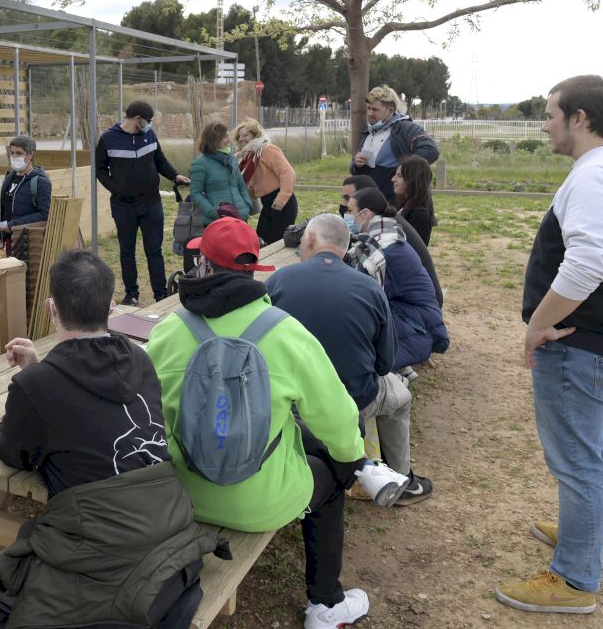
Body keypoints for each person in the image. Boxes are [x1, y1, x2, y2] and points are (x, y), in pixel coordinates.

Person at [147, 217, 409, 629]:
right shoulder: (286, 332)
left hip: (182, 493)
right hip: (262, 502)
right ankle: (325, 604)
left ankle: (361, 469)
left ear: (203, 265)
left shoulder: (169, 330)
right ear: (254, 270)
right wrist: (350, 458)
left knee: (307, 438)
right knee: (330, 475)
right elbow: (338, 418)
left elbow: (143, 407)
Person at [0, 249, 223, 629]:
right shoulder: (140, 360)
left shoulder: (37, 385)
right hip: (172, 525)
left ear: (51, 308)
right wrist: (37, 373)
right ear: (111, 306)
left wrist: (30, 381)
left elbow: (13, 450)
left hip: (108, 553)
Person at [495, 76, 603, 615]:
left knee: (578, 460)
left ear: (579, 118)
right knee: (595, 446)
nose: (544, 126)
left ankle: (575, 578)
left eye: (550, 115)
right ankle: (581, 532)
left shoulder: (596, 175)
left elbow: (590, 261)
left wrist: (538, 325)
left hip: (578, 342)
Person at [267, 214, 433, 506]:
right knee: (401, 397)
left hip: (291, 402)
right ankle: (402, 479)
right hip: (353, 399)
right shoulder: (370, 288)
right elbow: (385, 363)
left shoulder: (277, 280)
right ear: (345, 247)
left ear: (309, 239)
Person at [95, 100, 190, 306]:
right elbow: (99, 169)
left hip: (151, 203)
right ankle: (131, 293)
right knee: (126, 250)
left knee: (154, 250)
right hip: (123, 206)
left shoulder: (149, 135)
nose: (150, 124)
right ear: (138, 119)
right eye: (149, 120)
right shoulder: (108, 138)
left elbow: (160, 160)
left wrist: (175, 176)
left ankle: (160, 293)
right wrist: (115, 188)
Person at [346, 188, 449, 372]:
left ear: (365, 213)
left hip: (419, 325)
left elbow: (365, 297)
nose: (346, 216)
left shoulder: (383, 250)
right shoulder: (385, 236)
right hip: (416, 315)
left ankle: (391, 376)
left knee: (351, 319)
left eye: (350, 210)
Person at [341, 174, 442, 307]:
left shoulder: (384, 241)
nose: (344, 207)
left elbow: (368, 293)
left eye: (348, 203)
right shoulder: (383, 227)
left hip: (414, 310)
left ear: (366, 211)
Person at [350, 85, 439, 203]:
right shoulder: (368, 131)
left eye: (375, 110)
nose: (370, 113)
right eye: (369, 108)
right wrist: (356, 164)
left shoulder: (405, 128)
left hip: (396, 202)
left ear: (390, 110)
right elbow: (355, 170)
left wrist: (403, 171)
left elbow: (430, 150)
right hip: (370, 201)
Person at [235, 119, 298, 245]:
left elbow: (287, 173)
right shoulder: (250, 157)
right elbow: (256, 186)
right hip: (267, 202)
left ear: (255, 135)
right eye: (239, 136)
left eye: (245, 135)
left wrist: (282, 197)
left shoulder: (267, 149)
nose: (241, 139)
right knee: (261, 242)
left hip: (281, 202)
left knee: (275, 245)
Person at [0, 135, 52, 253]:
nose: (14, 156)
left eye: (19, 153)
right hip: (11, 240)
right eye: (12, 153)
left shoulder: (41, 181)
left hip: (30, 244)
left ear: (30, 155)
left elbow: (44, 214)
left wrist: (13, 225)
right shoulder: (10, 177)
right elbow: (4, 208)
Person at [391, 155, 436, 246]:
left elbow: (415, 249)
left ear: (413, 179)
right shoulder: (403, 205)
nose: (393, 179)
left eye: (399, 176)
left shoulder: (419, 215)